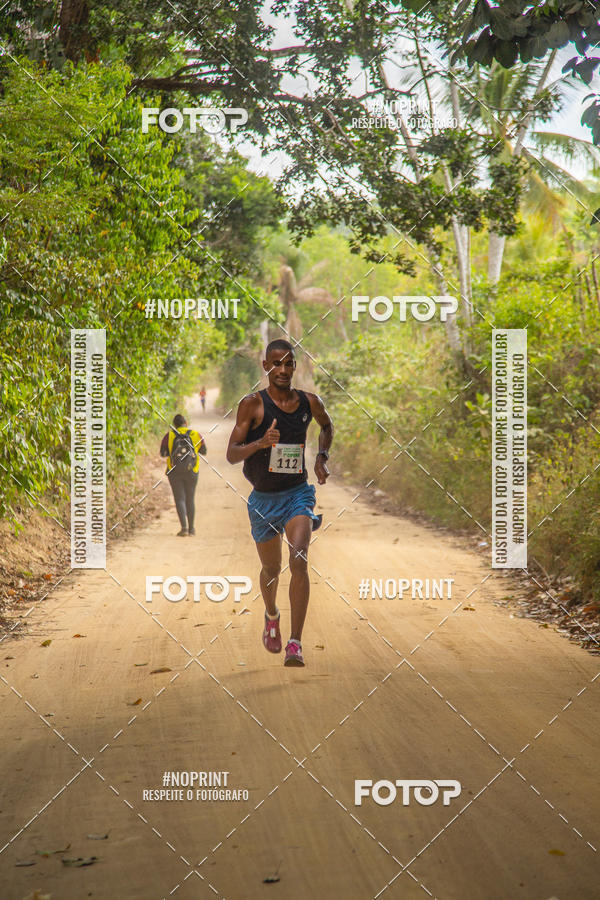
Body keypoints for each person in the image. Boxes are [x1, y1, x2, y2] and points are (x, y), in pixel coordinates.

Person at [226, 339, 333, 667]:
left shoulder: (309, 403)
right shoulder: (252, 405)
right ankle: (271, 615)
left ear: (295, 367)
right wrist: (260, 443)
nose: (283, 370)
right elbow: (232, 454)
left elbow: (326, 426)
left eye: (289, 364)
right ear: (265, 366)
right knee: (271, 568)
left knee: (298, 560)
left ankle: (295, 643)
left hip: (297, 494)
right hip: (263, 500)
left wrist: (321, 457)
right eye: (276, 364)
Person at [160, 414, 206, 536]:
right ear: (185, 422)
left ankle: (184, 528)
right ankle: (192, 529)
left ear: (174, 424)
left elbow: (163, 453)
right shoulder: (195, 434)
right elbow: (204, 451)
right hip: (192, 471)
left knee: (179, 498)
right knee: (190, 498)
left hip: (174, 471)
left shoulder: (169, 436)